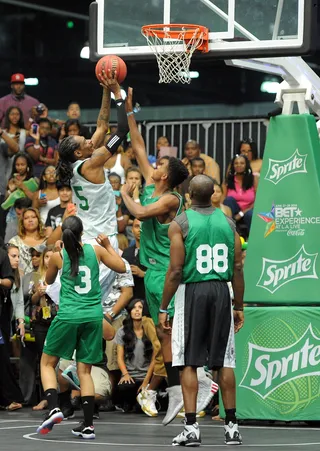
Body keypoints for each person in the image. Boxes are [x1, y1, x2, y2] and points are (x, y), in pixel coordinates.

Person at [121, 88, 212, 426]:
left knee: (175, 334)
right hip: (153, 272)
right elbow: (138, 145)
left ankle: (202, 381)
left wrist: (123, 194)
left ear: (167, 175)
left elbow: (140, 211)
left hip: (166, 272)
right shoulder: (150, 181)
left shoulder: (171, 198)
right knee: (164, 337)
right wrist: (129, 112)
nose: (153, 164)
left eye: (159, 165)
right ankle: (176, 391)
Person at [159, 174, 244, 446]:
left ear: (189, 195)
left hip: (192, 291)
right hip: (221, 289)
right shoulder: (229, 223)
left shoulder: (180, 223)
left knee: (188, 361)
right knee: (226, 360)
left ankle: (192, 427)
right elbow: (238, 268)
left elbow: (174, 271)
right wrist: (239, 305)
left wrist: (164, 306)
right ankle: (232, 427)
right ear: (212, 195)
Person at [36, 216, 126, 438]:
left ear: (64, 235)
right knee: (84, 371)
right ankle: (87, 425)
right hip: (93, 317)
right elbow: (122, 266)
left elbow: (48, 280)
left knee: (48, 363)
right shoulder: (96, 251)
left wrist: (58, 253)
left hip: (68, 316)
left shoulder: (58, 257)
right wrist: (107, 245)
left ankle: (54, 407)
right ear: (82, 232)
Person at [51, 70, 129, 305]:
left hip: (88, 237)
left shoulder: (77, 164)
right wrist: (118, 95)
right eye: (83, 141)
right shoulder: (92, 162)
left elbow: (102, 124)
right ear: (78, 152)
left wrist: (104, 89)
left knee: (82, 298)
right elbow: (121, 131)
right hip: (103, 238)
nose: (89, 140)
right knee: (91, 302)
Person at [114, 299, 158, 416]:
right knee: (123, 388)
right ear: (130, 311)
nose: (137, 310)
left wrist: (146, 381)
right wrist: (125, 374)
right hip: (131, 377)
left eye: (140, 307)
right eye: (134, 307)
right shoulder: (122, 332)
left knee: (141, 408)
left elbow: (155, 358)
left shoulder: (151, 330)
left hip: (147, 377)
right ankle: (129, 402)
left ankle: (141, 402)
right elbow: (119, 357)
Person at [0, 244, 24, 411]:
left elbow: (19, 301)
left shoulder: (16, 276)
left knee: (3, 357)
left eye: (18, 256)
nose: (16, 259)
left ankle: (9, 397)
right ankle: (9, 398)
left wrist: (20, 320)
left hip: (3, 319)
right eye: (13, 256)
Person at [222, 154, 258, 231]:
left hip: (249, 210)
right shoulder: (228, 181)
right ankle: (229, 232)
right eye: (236, 163)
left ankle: (252, 239)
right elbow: (222, 200)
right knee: (229, 200)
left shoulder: (253, 178)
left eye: (242, 163)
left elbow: (258, 200)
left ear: (246, 165)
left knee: (250, 214)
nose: (239, 165)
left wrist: (242, 213)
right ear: (233, 166)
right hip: (233, 213)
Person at [9, 207, 47, 274]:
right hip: (20, 281)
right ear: (22, 222)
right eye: (26, 218)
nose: (30, 220)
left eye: (33, 217)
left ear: (38, 220)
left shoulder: (47, 241)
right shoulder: (14, 242)